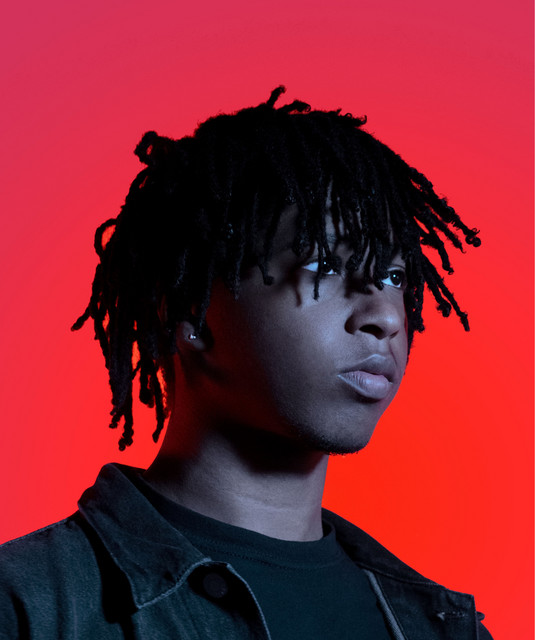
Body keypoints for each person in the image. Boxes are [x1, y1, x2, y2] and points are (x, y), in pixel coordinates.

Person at [0, 86, 492, 639]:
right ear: (191, 311)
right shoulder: (28, 607)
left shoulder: (442, 628)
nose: (384, 316)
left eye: (394, 276)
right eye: (324, 266)